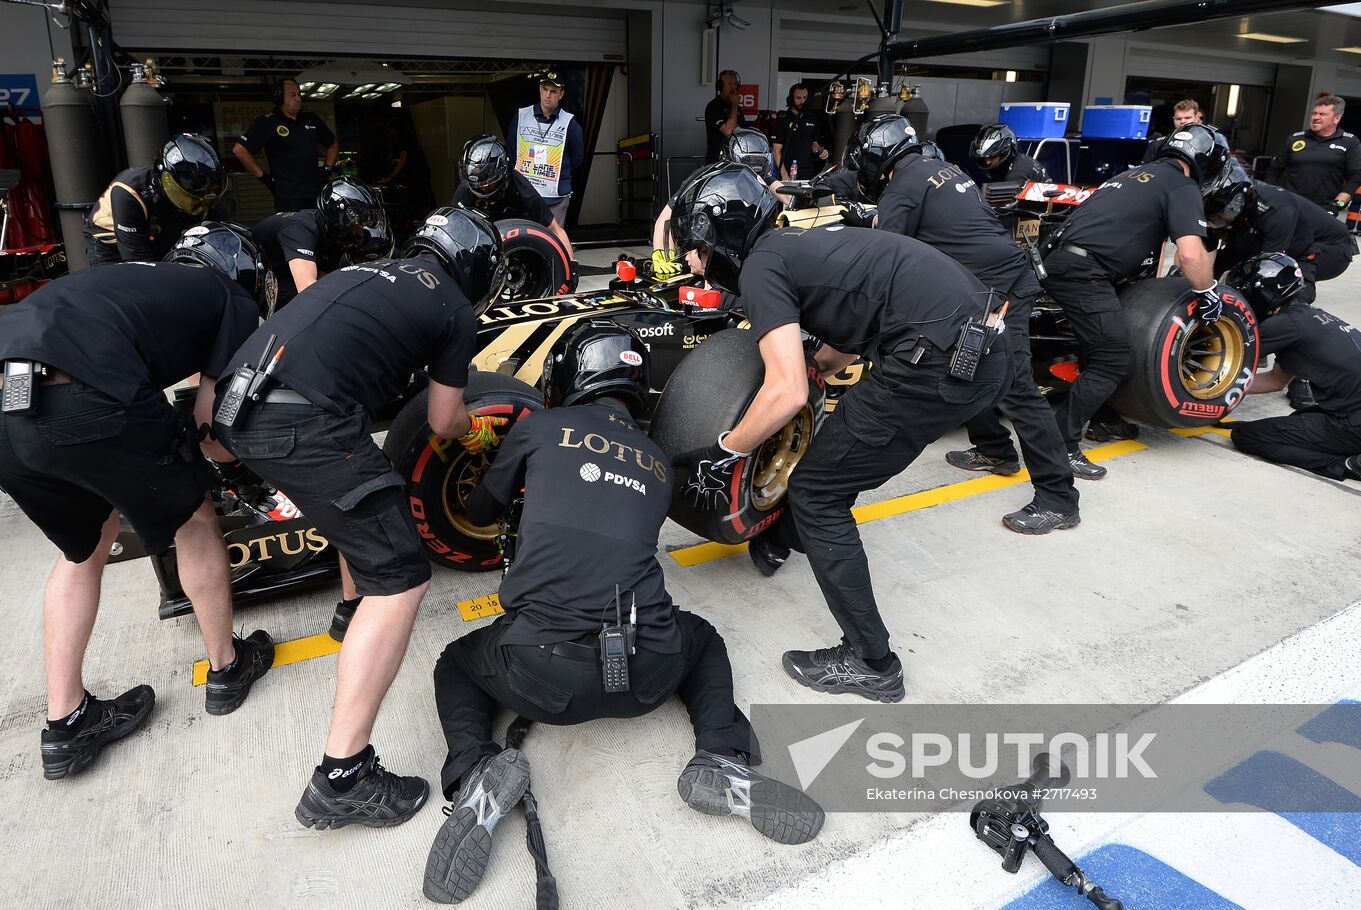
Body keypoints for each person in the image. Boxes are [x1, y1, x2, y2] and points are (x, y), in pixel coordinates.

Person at [425, 321, 823, 902]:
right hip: (647, 672)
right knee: (704, 638)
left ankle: (476, 772)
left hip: (541, 679)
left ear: (571, 378)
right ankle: (720, 757)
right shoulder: (658, 463)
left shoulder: (540, 427)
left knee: (456, 663)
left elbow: (484, 508)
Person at [670, 163, 1013, 702]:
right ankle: (784, 540)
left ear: (720, 238)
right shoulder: (795, 247)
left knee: (816, 491)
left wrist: (724, 449)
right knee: (835, 463)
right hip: (984, 350)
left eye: (693, 247)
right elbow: (848, 339)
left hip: (934, 364)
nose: (691, 261)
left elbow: (787, 394)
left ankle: (872, 661)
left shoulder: (761, 269)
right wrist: (819, 366)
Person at [214, 207, 507, 829]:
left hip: (237, 407)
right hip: (301, 421)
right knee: (402, 574)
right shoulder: (452, 307)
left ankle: (352, 611)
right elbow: (443, 421)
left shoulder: (371, 273)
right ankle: (342, 776)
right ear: (476, 271)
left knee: (364, 488)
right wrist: (478, 430)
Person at [0, 223, 277, 780]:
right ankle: (227, 666)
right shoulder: (231, 300)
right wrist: (237, 470)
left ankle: (67, 723)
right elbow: (213, 428)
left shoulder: (122, 280)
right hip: (81, 392)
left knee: (86, 547)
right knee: (193, 515)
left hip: (7, 399)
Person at [846, 114, 1079, 534]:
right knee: (964, 370)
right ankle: (995, 450)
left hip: (998, 291)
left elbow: (884, 257)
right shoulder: (941, 168)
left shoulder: (902, 188)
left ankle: (1059, 498)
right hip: (984, 287)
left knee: (1017, 389)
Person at [1040, 124, 1228, 480]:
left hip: (1058, 261)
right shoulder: (1182, 186)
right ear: (1209, 162)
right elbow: (1190, 255)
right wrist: (1208, 292)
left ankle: (1103, 420)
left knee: (1099, 344)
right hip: (1085, 272)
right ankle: (1059, 446)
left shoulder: (1132, 175)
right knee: (1113, 360)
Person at [1229, 253, 1361, 484]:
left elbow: (1226, 354)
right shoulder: (1312, 317)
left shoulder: (1282, 325)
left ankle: (1348, 466)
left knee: (1249, 435)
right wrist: (1224, 390)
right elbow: (1276, 381)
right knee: (1300, 418)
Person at [1206, 164, 1355, 304]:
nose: (1219, 220)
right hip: (1289, 233)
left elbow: (1270, 266)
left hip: (1332, 246)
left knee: (1275, 290)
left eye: (1223, 215)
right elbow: (1217, 254)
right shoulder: (1226, 199)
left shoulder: (1274, 210)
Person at [649, 130, 779, 279]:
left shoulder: (763, 179)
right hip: (709, 249)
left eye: (759, 163)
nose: (753, 169)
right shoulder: (705, 178)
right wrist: (662, 253)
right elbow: (666, 215)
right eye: (749, 162)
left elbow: (785, 193)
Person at [252, 176, 394, 312]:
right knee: (303, 301)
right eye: (358, 220)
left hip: (286, 270)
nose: (362, 229)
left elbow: (330, 277)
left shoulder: (333, 234)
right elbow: (307, 289)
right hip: (257, 277)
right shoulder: (301, 229)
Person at [83, 133, 226, 265]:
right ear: (166, 182)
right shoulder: (129, 192)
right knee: (126, 286)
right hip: (111, 243)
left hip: (162, 231)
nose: (199, 206)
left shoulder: (208, 200)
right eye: (190, 199)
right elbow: (138, 262)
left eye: (209, 195)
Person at [452, 133, 573, 260]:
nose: (482, 186)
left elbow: (555, 229)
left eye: (487, 180)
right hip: (483, 241)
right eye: (478, 178)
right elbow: (454, 224)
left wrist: (571, 268)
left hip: (518, 240)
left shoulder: (521, 186)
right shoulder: (471, 185)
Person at [233, 78, 339, 212]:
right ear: (279, 97)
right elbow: (240, 150)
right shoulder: (268, 122)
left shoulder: (311, 118)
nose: (298, 99)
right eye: (293, 95)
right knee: (294, 232)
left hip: (316, 192)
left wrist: (327, 169)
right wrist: (265, 179)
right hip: (288, 197)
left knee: (319, 230)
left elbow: (332, 143)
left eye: (299, 94)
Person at [507, 66, 586, 225]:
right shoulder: (521, 116)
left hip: (555, 199)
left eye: (553, 91)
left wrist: (558, 170)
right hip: (526, 198)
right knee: (526, 245)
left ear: (561, 94)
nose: (548, 95)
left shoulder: (570, 123)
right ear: (540, 89)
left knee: (552, 246)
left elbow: (577, 159)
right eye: (545, 89)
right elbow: (512, 150)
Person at [1266, 95, 1361, 212]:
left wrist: (1337, 205)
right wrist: (1270, 197)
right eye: (1314, 113)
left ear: (1337, 118)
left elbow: (1356, 178)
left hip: (1323, 209)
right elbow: (1273, 171)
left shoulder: (1349, 142)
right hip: (1289, 205)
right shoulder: (1295, 139)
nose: (1316, 117)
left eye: (1322, 114)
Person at [771, 83, 831, 181]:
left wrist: (820, 151)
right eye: (798, 98)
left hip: (808, 172)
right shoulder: (783, 119)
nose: (802, 101)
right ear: (791, 99)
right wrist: (784, 176)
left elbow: (814, 144)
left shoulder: (812, 118)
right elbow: (776, 150)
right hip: (788, 172)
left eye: (805, 97)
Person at [969, 123, 1048, 185]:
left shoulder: (1017, 175)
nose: (987, 162)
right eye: (985, 158)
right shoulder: (1019, 160)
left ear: (1005, 153)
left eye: (992, 157)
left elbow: (1006, 204)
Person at [1142, 99, 1206, 163]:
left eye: (1187, 118)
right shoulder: (1158, 144)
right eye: (1178, 118)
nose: (1183, 121)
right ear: (1173, 119)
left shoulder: (1206, 144)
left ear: (1196, 117)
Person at [705, 70, 747, 164]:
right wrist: (735, 105)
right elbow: (728, 131)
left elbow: (741, 133)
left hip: (736, 160)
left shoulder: (737, 109)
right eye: (730, 84)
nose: (733, 88)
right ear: (720, 86)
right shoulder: (714, 106)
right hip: (717, 162)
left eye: (735, 84)